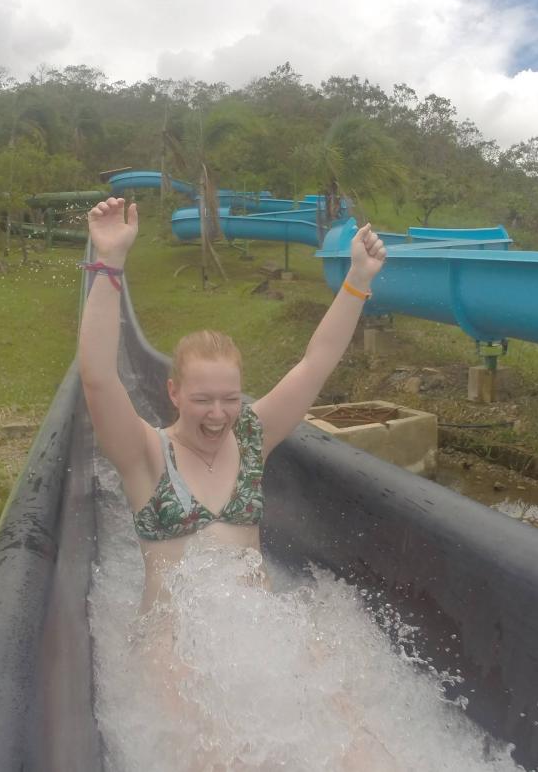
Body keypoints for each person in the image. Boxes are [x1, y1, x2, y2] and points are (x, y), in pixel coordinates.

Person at [79, 197, 389, 768]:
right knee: (213, 754)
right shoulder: (147, 454)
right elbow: (98, 380)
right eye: (202, 399)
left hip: (260, 625)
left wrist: (357, 281)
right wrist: (108, 263)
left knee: (355, 740)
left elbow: (314, 363)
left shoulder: (252, 436)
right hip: (174, 641)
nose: (218, 413)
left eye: (229, 397)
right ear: (173, 393)